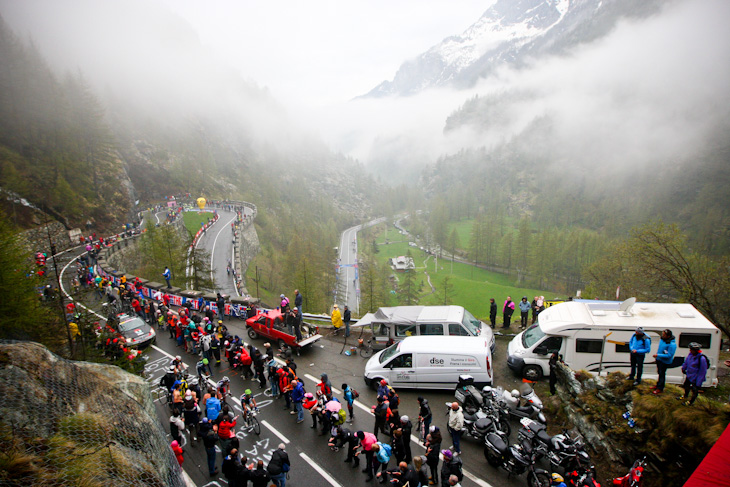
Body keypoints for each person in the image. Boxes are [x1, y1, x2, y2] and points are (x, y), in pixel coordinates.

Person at [652, 329, 677, 394]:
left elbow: (669, 355)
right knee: (659, 373)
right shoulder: (662, 340)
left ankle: (660, 388)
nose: (662, 335)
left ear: (668, 336)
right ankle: (658, 385)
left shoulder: (672, 345)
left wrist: (658, 355)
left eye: (664, 335)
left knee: (662, 374)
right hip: (659, 359)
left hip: (664, 361)